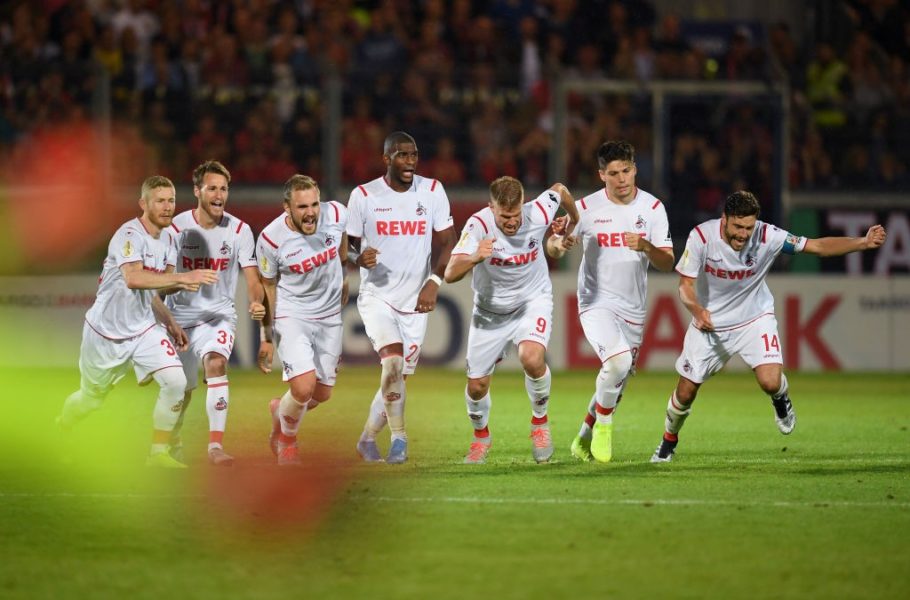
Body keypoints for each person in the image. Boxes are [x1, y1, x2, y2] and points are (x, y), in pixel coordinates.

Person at [651, 190, 887, 462]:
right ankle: (668, 440)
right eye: (738, 226)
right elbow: (685, 286)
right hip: (710, 323)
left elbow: (817, 247)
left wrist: (863, 242)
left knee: (770, 381)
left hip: (755, 319)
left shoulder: (767, 236)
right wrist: (696, 309)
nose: (743, 234)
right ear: (724, 219)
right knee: (686, 391)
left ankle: (781, 397)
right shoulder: (702, 237)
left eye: (748, 227)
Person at [56, 176, 219, 468]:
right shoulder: (128, 235)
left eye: (171, 200)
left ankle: (157, 454)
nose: (168, 207)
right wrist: (183, 277)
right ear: (143, 204)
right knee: (90, 400)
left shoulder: (170, 239)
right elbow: (134, 279)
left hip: (144, 328)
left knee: (176, 382)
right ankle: (63, 425)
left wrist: (170, 319)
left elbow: (155, 288)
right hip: (106, 333)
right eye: (160, 201)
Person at [444, 176, 579, 464]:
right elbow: (450, 273)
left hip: (533, 300)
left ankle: (539, 424)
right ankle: (481, 437)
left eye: (516, 214)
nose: (512, 222)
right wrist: (475, 258)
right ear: (491, 208)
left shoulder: (538, 212)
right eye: (505, 216)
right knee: (477, 386)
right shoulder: (478, 225)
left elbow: (560, 190)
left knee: (532, 358)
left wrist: (573, 219)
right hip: (489, 311)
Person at [560, 141, 675, 464]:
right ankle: (605, 427)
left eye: (626, 171)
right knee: (618, 363)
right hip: (595, 302)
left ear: (635, 169)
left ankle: (583, 436)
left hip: (633, 308)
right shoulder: (585, 208)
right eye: (614, 173)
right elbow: (555, 245)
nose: (622, 179)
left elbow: (667, 262)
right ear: (602, 175)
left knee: (616, 377)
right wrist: (559, 243)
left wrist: (647, 247)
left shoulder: (653, 209)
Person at [347, 131, 456, 464]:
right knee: (392, 362)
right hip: (377, 297)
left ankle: (367, 439)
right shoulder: (364, 195)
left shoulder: (433, 191)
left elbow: (449, 241)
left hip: (415, 303)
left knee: (396, 378)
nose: (410, 162)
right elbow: (350, 244)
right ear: (386, 159)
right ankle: (399, 439)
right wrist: (358, 257)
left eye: (414, 155)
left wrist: (434, 282)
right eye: (402, 155)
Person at [165, 160, 265, 466]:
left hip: (218, 316)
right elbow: (164, 280)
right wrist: (185, 279)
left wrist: (256, 301)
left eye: (224, 189)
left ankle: (215, 447)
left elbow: (252, 277)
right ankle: (174, 437)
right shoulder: (176, 228)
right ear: (197, 191)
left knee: (217, 363)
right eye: (212, 188)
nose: (219, 195)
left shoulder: (239, 230)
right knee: (181, 389)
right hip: (179, 318)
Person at [256, 174, 348, 466]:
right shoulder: (271, 239)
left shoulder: (335, 213)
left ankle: (280, 410)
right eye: (302, 207)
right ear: (287, 208)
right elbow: (268, 286)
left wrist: (343, 276)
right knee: (303, 388)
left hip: (330, 314)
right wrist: (267, 337)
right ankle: (287, 442)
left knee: (322, 394)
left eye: (314, 204)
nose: (310, 213)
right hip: (293, 313)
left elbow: (343, 237)